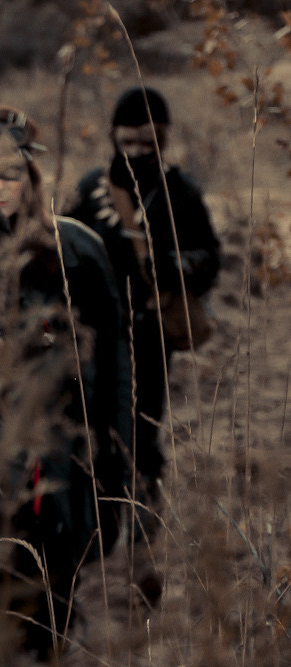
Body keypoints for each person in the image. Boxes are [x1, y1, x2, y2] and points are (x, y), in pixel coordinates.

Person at [0, 103, 130, 667]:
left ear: (31, 176)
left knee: (50, 608)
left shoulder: (76, 249)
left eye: (10, 175)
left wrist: (119, 463)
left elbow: (115, 364)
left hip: (58, 460)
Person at [69, 85, 219, 507]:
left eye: (147, 143)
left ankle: (144, 508)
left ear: (163, 138)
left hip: (150, 328)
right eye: (127, 142)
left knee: (143, 422)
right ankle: (101, 509)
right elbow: (64, 249)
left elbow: (210, 257)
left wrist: (172, 265)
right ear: (113, 136)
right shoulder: (91, 188)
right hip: (96, 327)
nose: (135, 152)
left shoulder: (181, 191)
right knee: (93, 420)